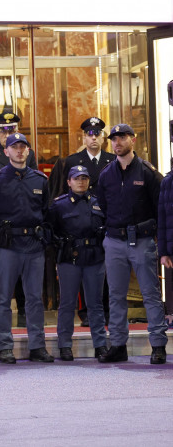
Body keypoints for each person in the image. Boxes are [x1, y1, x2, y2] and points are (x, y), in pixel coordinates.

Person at [97, 123, 167, 364]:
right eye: (114, 139)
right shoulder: (106, 174)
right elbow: (103, 207)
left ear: (133, 140)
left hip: (143, 240)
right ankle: (118, 344)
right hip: (114, 241)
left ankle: (158, 345)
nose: (117, 143)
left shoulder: (148, 172)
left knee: (150, 294)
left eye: (122, 138)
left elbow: (161, 208)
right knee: (116, 295)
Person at [0, 132, 53, 364]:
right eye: (15, 147)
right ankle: (4, 346)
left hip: (33, 244)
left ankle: (37, 346)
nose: (19, 151)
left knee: (34, 298)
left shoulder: (40, 180)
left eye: (23, 147)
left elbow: (46, 213)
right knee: (3, 299)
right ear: (6, 151)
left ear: (28, 151)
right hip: (8, 245)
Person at [48, 117, 115, 326]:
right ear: (84, 137)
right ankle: (85, 311)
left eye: (97, 134)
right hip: (76, 225)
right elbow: (60, 196)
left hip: (104, 221)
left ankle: (106, 310)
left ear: (103, 138)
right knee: (79, 274)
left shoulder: (112, 160)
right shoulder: (71, 161)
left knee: (104, 272)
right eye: (89, 134)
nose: (93, 138)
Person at [47, 165, 108, 362]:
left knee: (95, 304)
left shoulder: (99, 203)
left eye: (84, 178)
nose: (81, 181)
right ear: (69, 182)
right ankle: (65, 345)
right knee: (67, 303)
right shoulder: (59, 205)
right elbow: (50, 231)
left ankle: (100, 345)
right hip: (69, 258)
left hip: (94, 257)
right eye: (77, 178)